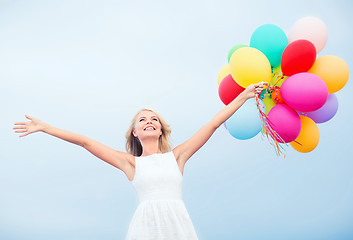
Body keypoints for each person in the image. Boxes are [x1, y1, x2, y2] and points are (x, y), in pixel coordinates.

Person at [13, 82, 265, 239]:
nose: (149, 122)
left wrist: (243, 96)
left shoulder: (177, 156)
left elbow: (213, 124)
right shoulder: (131, 163)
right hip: (145, 228)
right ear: (135, 132)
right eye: (142, 120)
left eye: (154, 119)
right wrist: (46, 127)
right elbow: (85, 142)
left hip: (178, 224)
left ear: (161, 130)